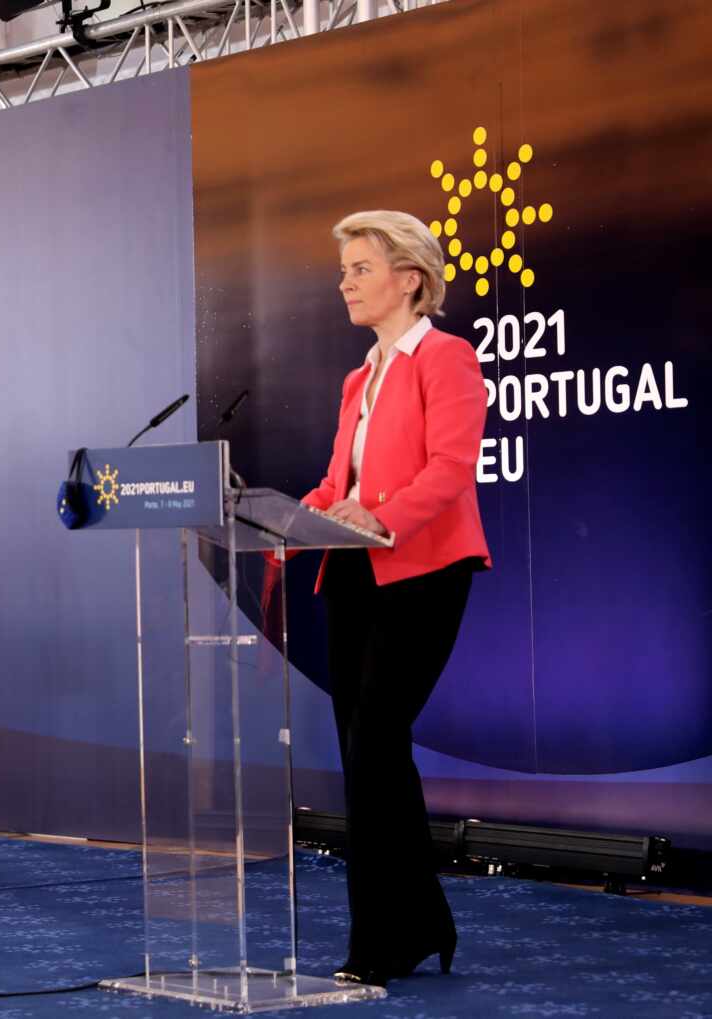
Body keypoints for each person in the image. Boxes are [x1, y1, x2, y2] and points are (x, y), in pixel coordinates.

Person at [301, 211, 491, 987]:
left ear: (408, 277)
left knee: (376, 741)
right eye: (344, 269)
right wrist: (283, 515)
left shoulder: (447, 358)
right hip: (352, 572)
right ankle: (416, 921)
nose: (345, 281)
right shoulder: (359, 377)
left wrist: (378, 515)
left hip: (421, 570)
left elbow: (449, 469)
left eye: (360, 268)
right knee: (368, 752)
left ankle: (386, 936)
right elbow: (336, 483)